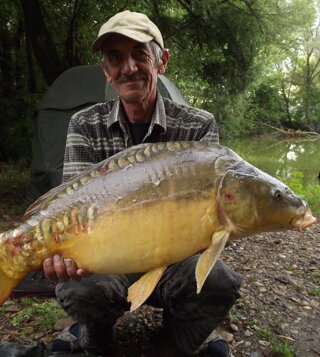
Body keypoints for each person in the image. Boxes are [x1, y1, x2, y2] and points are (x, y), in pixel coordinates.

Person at [43, 10, 242, 357]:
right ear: (106, 70)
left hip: (174, 255)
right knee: (78, 288)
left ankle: (175, 339)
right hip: (108, 257)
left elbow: (209, 218)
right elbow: (72, 210)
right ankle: (96, 335)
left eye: (140, 54)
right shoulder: (85, 124)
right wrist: (62, 251)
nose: (129, 67)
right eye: (116, 58)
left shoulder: (197, 126)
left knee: (219, 281)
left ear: (161, 61)